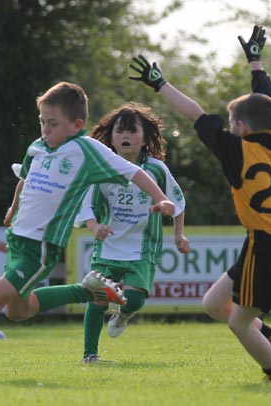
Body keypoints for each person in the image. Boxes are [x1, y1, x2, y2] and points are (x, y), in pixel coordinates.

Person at [0, 81, 176, 381]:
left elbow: (135, 173)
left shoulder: (87, 150)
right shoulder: (38, 147)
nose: (45, 129)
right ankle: (89, 292)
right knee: (18, 311)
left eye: (53, 123)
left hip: (40, 248)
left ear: (76, 125)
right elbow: (25, 178)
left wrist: (161, 198)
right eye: (42, 122)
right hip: (17, 242)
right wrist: (12, 208)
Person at [129, 25, 271, 384]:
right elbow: (267, 101)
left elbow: (196, 113)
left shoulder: (236, 151)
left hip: (266, 247)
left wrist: (160, 84)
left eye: (233, 121)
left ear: (238, 127)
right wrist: (256, 62)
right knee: (213, 304)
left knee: (238, 321)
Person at [75, 102, 190, 362]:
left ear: (145, 137)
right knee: (97, 299)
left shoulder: (157, 170)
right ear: (111, 137)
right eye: (120, 131)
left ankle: (124, 313)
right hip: (108, 247)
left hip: (143, 248)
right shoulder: (101, 169)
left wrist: (179, 234)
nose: (125, 136)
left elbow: (177, 202)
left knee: (135, 301)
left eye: (132, 131)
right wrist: (94, 226)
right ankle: (89, 355)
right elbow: (84, 206)